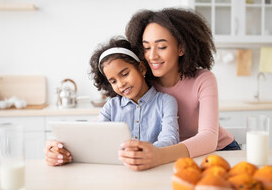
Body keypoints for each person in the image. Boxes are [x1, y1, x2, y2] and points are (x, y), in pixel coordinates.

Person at [118, 7, 240, 171]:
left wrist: (159, 155)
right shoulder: (144, 84)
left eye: (161, 47)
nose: (152, 56)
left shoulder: (203, 80)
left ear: (181, 48)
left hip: (219, 153)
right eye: (146, 48)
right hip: (172, 158)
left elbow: (209, 138)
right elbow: (104, 123)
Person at [44, 37, 179, 166]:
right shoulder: (111, 106)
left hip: (155, 169)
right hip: (120, 172)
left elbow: (170, 139)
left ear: (142, 68)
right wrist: (59, 151)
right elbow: (95, 139)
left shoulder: (165, 102)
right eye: (113, 81)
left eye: (125, 74)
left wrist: (145, 152)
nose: (120, 84)